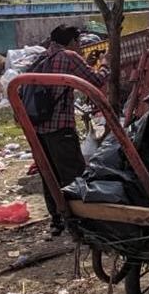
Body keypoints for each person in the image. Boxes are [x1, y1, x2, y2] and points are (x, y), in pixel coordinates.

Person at [31, 24, 109, 239]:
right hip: (60, 128)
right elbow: (96, 81)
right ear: (73, 41)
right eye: (78, 41)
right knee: (73, 174)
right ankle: (82, 224)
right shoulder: (69, 57)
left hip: (38, 129)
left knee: (49, 174)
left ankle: (57, 221)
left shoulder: (40, 58)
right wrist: (104, 65)